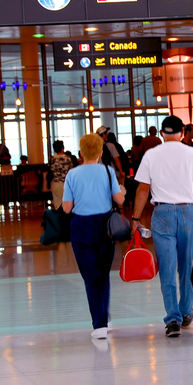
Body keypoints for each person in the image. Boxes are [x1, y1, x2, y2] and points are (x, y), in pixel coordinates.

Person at [131, 116, 193, 338]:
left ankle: (172, 320)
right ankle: (186, 311)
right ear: (181, 133)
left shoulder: (151, 155)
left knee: (167, 268)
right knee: (187, 265)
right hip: (188, 213)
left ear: (161, 133)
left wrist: (135, 218)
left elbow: (142, 190)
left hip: (163, 213)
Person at [62, 133, 126, 340]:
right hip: (105, 226)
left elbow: (66, 208)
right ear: (100, 153)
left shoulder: (72, 175)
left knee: (91, 276)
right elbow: (120, 201)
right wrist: (122, 191)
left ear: (81, 153)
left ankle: (98, 324)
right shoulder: (108, 171)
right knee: (103, 274)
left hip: (81, 226)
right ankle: (104, 319)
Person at [49, 140, 73, 209]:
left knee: (57, 203)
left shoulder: (52, 158)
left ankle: (58, 217)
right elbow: (71, 170)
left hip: (55, 183)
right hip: (65, 182)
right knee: (66, 202)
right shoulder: (67, 158)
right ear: (62, 147)